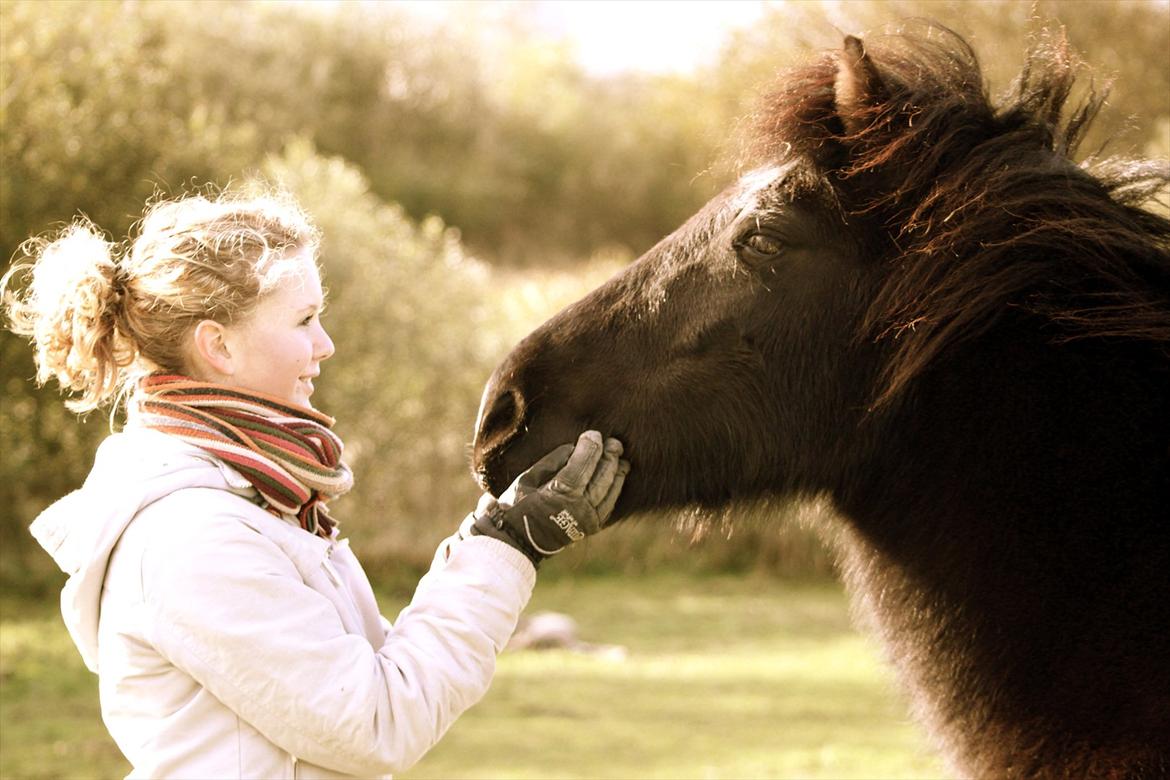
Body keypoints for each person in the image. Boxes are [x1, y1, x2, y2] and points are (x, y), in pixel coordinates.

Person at [2, 190, 630, 779]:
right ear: (218, 346)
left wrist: (490, 534)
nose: (324, 345)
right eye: (303, 320)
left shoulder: (257, 499)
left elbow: (384, 676)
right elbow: (379, 721)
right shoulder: (191, 536)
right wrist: (511, 544)